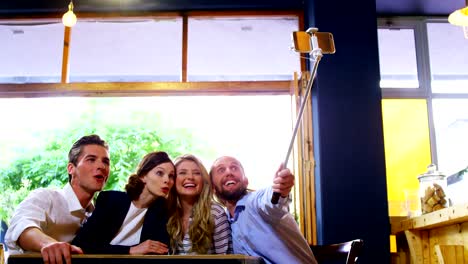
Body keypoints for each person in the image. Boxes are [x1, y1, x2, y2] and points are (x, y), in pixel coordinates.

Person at [5, 134, 110, 264]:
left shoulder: (98, 214)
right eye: (91, 159)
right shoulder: (45, 197)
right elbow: (21, 226)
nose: (101, 166)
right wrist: (49, 244)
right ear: (71, 169)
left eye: (106, 161)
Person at [209, 156, 317, 264]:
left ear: (246, 181)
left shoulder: (255, 201)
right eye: (221, 170)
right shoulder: (224, 224)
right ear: (213, 188)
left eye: (234, 168)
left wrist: (280, 190)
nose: (229, 172)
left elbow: (271, 202)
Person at [71, 151, 174, 255]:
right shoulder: (111, 200)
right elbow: (81, 245)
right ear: (143, 176)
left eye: (171, 176)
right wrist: (131, 250)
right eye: (160, 173)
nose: (167, 180)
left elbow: (159, 252)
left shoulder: (161, 211)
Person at [167, 154, 232, 255]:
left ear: (203, 181)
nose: (190, 177)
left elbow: (226, 258)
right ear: (173, 180)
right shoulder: (168, 213)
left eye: (197, 173)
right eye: (182, 173)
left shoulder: (215, 213)